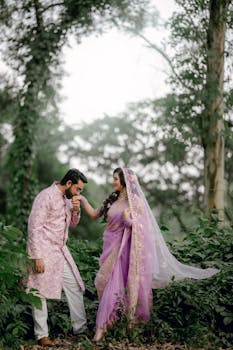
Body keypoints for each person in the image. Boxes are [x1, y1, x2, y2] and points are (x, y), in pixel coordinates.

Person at [80, 167, 219, 342]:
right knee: (103, 282)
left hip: (123, 250)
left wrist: (127, 219)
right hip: (108, 247)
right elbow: (94, 214)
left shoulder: (135, 202)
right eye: (113, 178)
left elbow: (143, 228)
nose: (113, 181)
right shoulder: (112, 199)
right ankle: (112, 324)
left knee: (112, 285)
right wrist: (83, 199)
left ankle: (104, 329)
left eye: (116, 178)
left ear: (125, 181)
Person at [26, 168, 88, 347]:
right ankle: (42, 335)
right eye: (78, 189)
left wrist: (76, 210)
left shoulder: (68, 200)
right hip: (43, 251)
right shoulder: (45, 196)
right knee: (39, 292)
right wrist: (36, 256)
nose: (79, 193)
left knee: (75, 286)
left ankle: (80, 330)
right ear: (69, 183)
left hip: (61, 251)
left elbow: (73, 225)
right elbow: (34, 227)